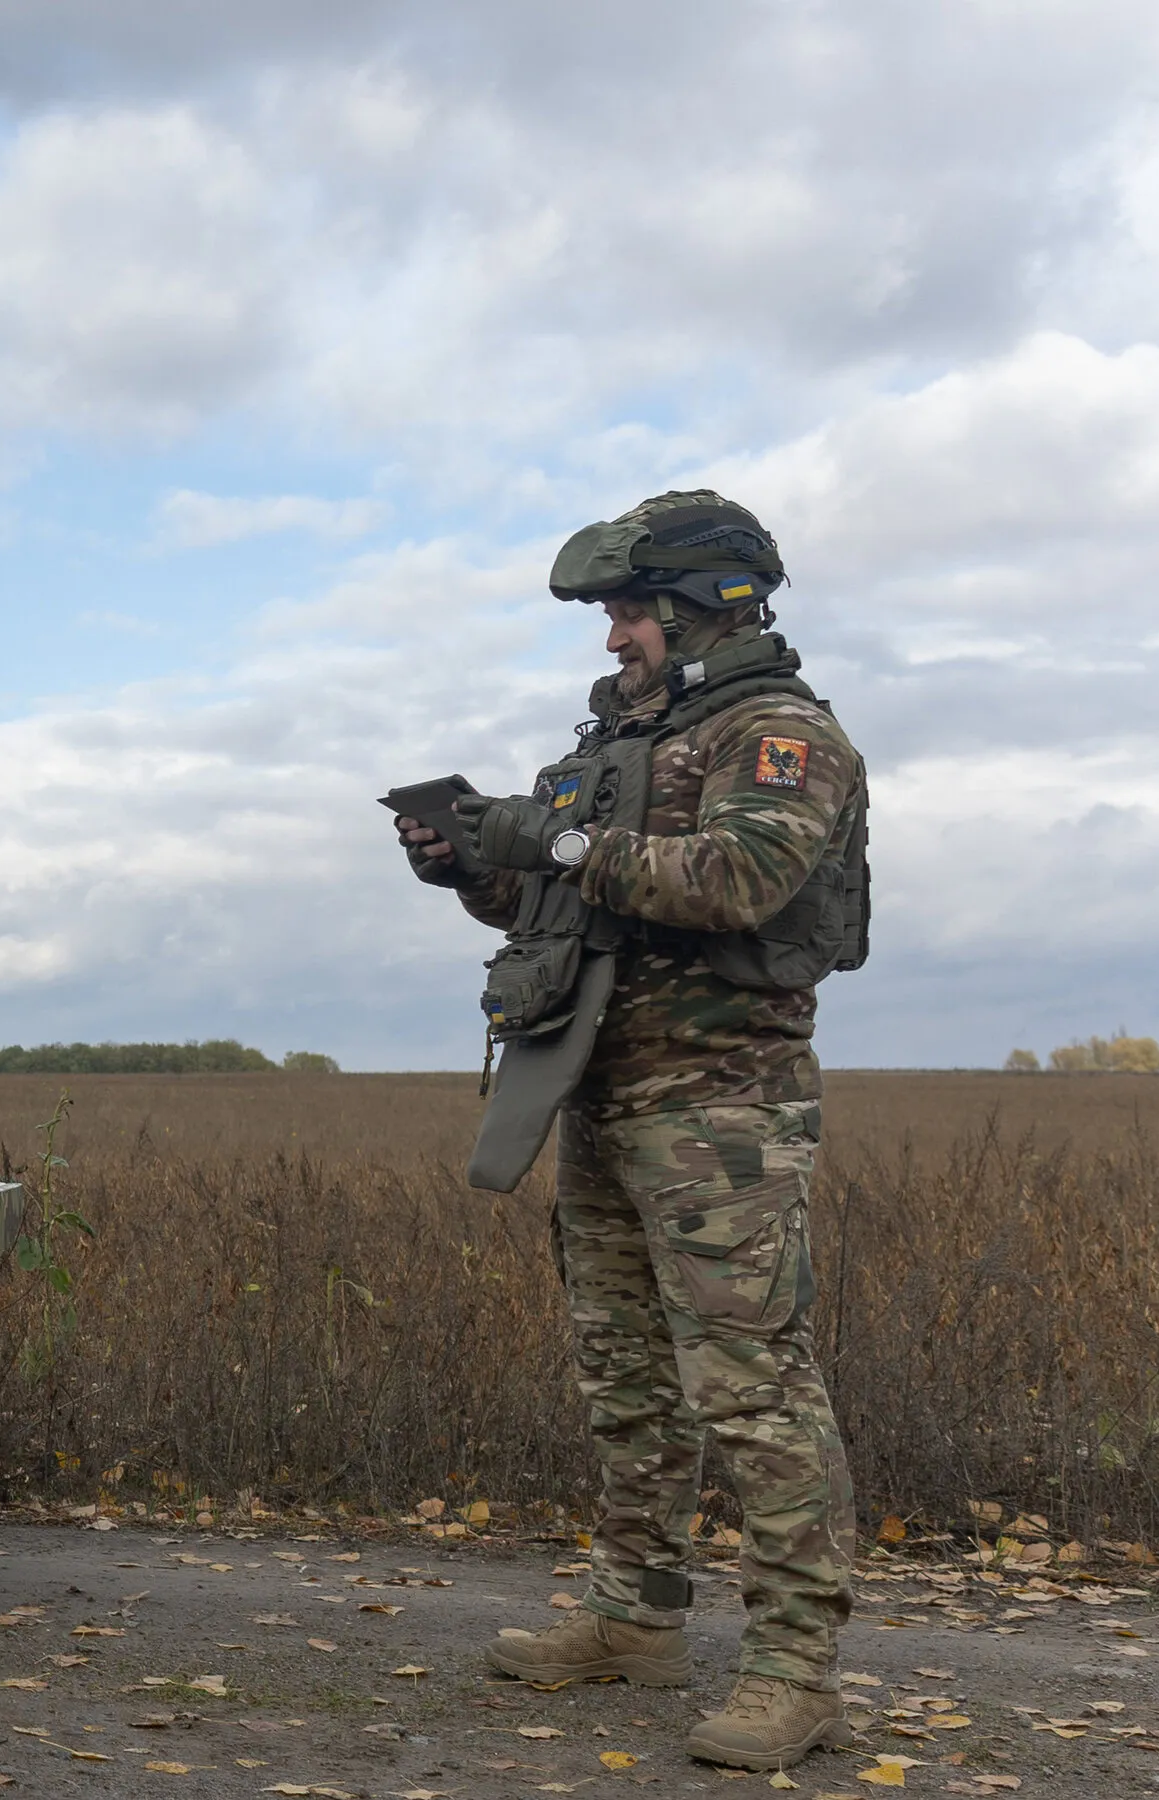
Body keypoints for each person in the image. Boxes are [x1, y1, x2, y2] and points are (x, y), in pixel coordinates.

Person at [399, 490, 871, 1774]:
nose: (612, 640)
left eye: (626, 613)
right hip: (593, 1092)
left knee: (752, 1385)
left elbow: (735, 881)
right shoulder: (613, 743)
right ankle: (634, 1618)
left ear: (696, 604)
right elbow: (546, 895)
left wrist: (543, 830)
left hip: (722, 1109)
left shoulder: (777, 733)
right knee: (625, 1378)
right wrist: (468, 861)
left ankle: (793, 1671)